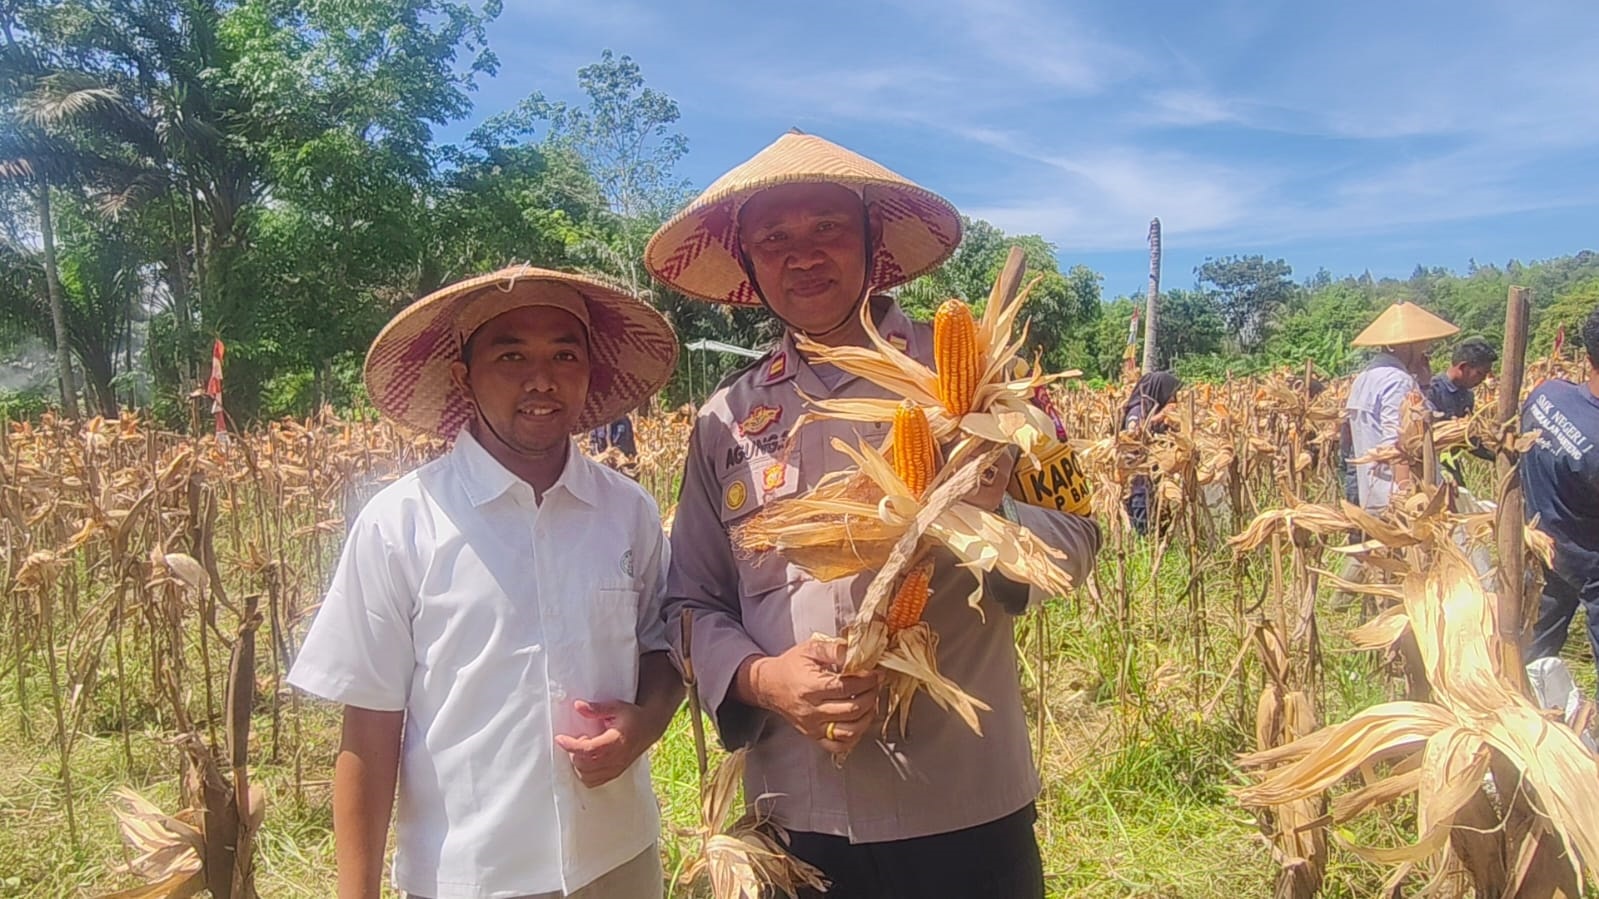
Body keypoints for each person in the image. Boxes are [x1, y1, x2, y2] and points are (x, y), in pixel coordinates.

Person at [646, 131, 1102, 899]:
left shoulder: (989, 379)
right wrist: (762, 677)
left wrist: (985, 513)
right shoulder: (726, 420)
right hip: (792, 817)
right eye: (774, 240)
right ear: (751, 266)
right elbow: (687, 603)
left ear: (870, 243)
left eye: (827, 229)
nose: (803, 255)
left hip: (960, 802)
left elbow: (1081, 538)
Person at [286, 266, 682, 899]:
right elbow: (369, 726)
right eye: (511, 355)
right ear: (463, 377)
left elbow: (661, 647)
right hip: (471, 874)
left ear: (589, 370)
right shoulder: (402, 525)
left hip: (617, 859)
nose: (542, 379)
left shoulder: (627, 510)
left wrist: (646, 724)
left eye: (564, 354)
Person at [1522, 304, 1599, 676]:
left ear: (1587, 357)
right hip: (1589, 560)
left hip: (1543, 542)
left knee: (1535, 644)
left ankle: (1518, 712)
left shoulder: (1545, 394)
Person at [1344, 301, 1460, 514]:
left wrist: (1423, 384)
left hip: (1371, 493)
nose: (1424, 351)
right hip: (1398, 500)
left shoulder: (1363, 378)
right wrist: (1408, 495)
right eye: (1419, 344)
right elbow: (1399, 442)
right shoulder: (1397, 380)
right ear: (1402, 346)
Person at [1425, 337, 1498, 485]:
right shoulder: (1432, 391)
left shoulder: (1467, 396)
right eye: (1480, 373)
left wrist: (1496, 454)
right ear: (1464, 367)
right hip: (1431, 470)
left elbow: (1466, 440)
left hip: (1451, 469)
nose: (1483, 379)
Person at [1120, 371, 1181, 535]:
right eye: (1172, 395)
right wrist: (1161, 416)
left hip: (1151, 480)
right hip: (1138, 480)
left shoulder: (1151, 408)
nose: (1174, 400)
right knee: (1142, 525)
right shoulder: (1137, 409)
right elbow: (1134, 431)